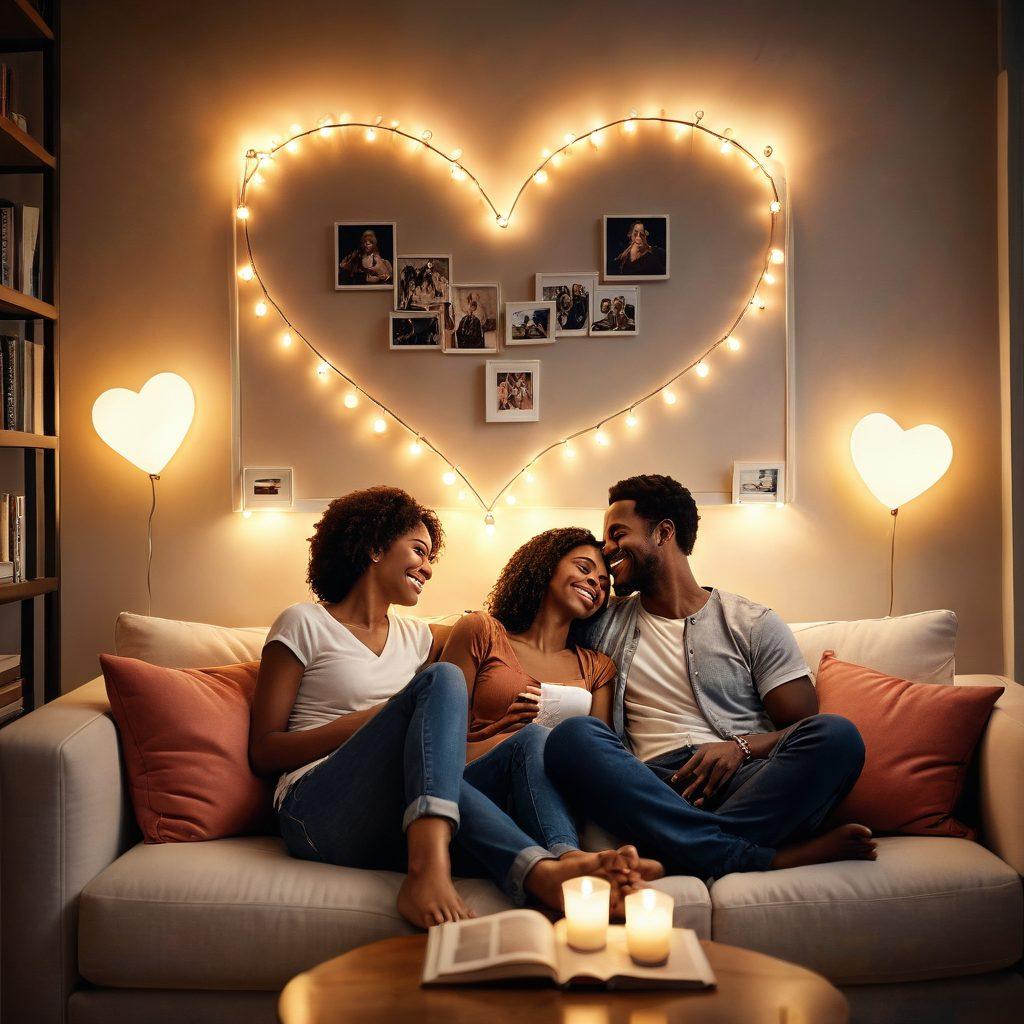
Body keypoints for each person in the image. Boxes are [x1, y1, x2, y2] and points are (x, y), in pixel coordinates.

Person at [250, 486, 634, 930]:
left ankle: (557, 864)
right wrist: (389, 717)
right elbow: (264, 751)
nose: (428, 569)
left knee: (531, 739)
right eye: (419, 551)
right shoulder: (304, 623)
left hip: (393, 815)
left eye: (431, 557)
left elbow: (491, 635)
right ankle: (426, 871)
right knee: (443, 677)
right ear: (375, 547)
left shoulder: (418, 638)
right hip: (315, 807)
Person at [544, 474, 875, 881]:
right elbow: (531, 624)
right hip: (649, 787)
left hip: (744, 783)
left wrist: (739, 747)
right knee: (572, 738)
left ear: (664, 532)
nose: (607, 548)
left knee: (838, 736)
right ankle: (760, 856)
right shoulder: (600, 621)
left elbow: (803, 725)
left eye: (617, 534)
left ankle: (690, 846)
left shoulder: (751, 622)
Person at [442, 527, 663, 896]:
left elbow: (597, 765)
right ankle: (569, 859)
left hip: (545, 808)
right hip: (471, 797)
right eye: (584, 568)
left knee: (538, 740)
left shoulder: (598, 668)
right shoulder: (481, 630)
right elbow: (436, 749)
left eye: (604, 583)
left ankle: (563, 860)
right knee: (531, 737)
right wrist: (507, 738)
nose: (595, 582)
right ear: (545, 565)